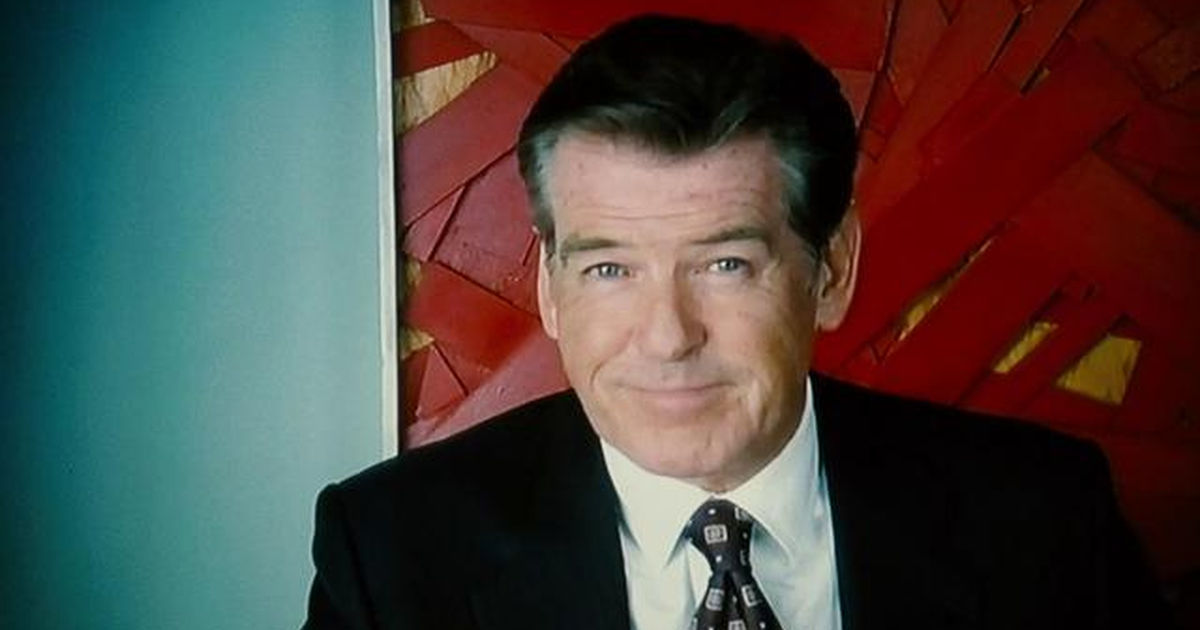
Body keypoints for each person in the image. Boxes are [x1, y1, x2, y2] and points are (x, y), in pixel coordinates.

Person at [302, 14, 1171, 630]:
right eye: (609, 269)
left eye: (725, 265)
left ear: (830, 272)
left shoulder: (1046, 522)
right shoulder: (392, 555)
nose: (668, 335)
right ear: (551, 292)